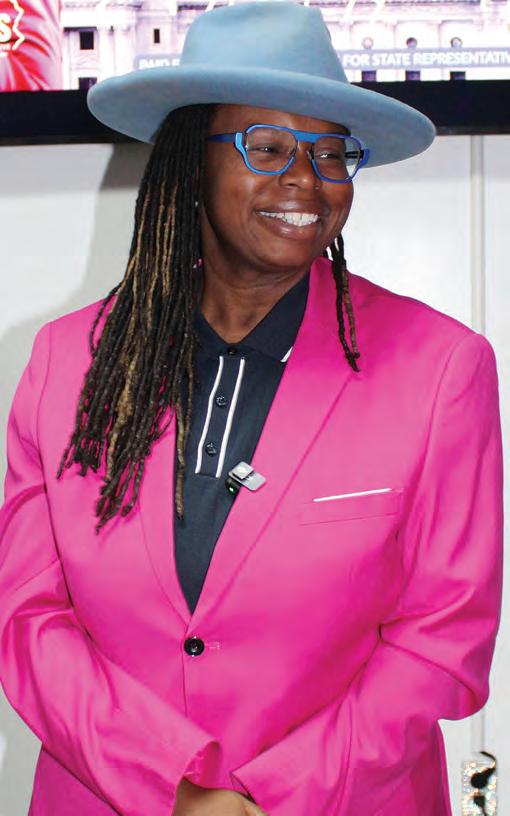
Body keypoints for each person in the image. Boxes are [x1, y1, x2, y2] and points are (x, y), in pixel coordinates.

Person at [0, 3, 503, 815]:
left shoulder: (440, 368)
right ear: (188, 164)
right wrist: (174, 791)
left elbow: (442, 644)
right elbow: (26, 618)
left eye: (331, 153)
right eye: (266, 147)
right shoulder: (68, 364)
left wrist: (269, 800)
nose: (305, 179)